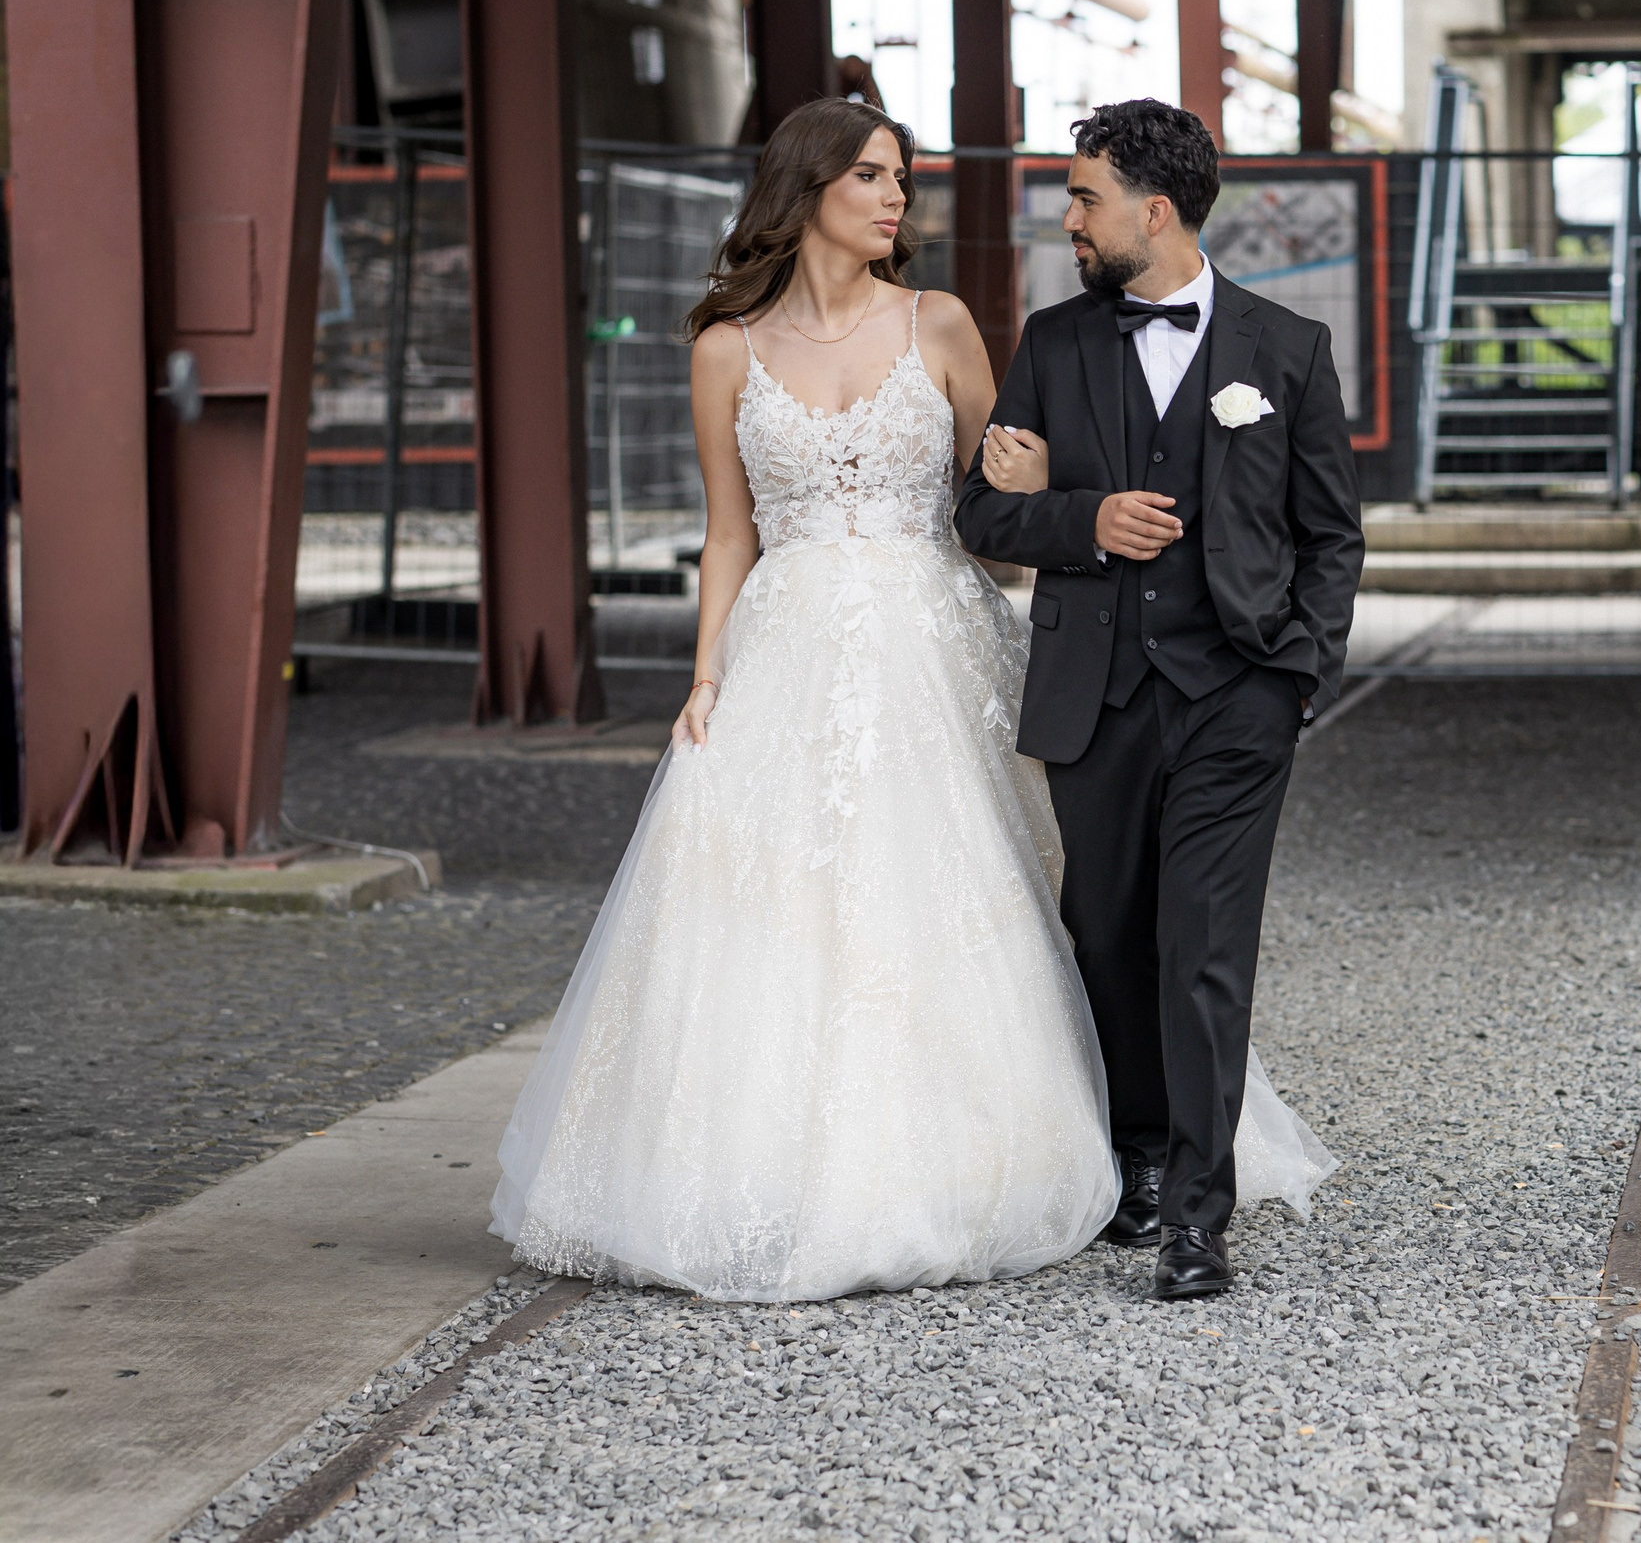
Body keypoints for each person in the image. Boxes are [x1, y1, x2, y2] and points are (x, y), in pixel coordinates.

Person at [488, 98, 1330, 1302]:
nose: (898, 200)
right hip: (786, 647)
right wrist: (705, 672)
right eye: (874, 177)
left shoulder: (942, 326)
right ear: (809, 188)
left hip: (930, 641)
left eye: (902, 179)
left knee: (994, 898)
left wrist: (1050, 501)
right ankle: (785, 1166)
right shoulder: (725, 346)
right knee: (785, 912)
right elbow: (731, 532)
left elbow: (998, 514)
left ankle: (1132, 1169)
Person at [956, 98, 1364, 1300]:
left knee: (1202, 948)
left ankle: (1197, 1212)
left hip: (1236, 695)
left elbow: (1329, 535)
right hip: (1098, 696)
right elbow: (982, 516)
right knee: (1109, 936)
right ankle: (1134, 1155)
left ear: (1156, 208)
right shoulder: (1053, 341)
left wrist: (1299, 673)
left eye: (1083, 198)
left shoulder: (1285, 351)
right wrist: (1082, 520)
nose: (1066, 220)